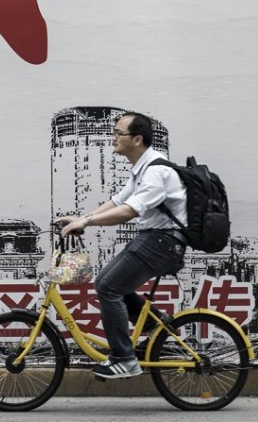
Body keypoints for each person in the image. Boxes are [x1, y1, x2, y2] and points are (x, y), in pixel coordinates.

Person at [57, 111, 188, 379]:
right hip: (154, 239)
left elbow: (129, 211)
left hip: (163, 242)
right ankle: (155, 325)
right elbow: (117, 201)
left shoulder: (157, 172)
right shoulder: (142, 169)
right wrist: (81, 218)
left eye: (119, 133)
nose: (113, 138)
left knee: (108, 287)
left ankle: (123, 359)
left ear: (137, 139)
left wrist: (88, 222)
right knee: (107, 281)